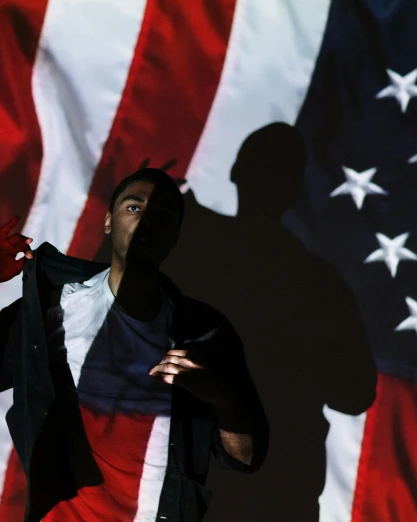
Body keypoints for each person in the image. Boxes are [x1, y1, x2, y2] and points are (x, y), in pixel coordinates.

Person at [0, 165, 269, 522]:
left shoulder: (204, 332)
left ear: (175, 235)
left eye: (163, 215)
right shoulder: (53, 309)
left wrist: (221, 395)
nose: (146, 221)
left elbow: (246, 457)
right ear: (108, 222)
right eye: (134, 207)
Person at [162, 123, 377, 521]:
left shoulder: (190, 246)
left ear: (236, 171)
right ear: (293, 191)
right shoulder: (320, 284)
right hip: (278, 487)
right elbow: (355, 392)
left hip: (195, 480)